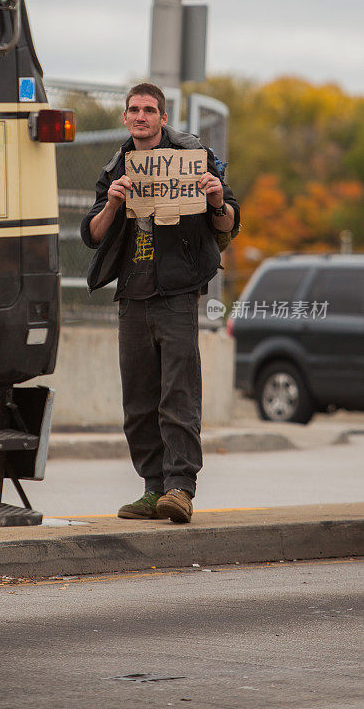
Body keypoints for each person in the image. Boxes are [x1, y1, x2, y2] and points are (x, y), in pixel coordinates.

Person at [80, 83, 240, 523]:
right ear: (126, 117)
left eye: (150, 110)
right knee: (138, 398)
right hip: (133, 293)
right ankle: (153, 489)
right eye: (134, 110)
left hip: (177, 292)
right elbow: (92, 234)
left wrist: (214, 198)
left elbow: (229, 219)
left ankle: (180, 489)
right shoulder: (116, 167)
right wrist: (113, 202)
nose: (141, 116)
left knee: (178, 394)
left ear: (163, 118)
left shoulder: (192, 158)